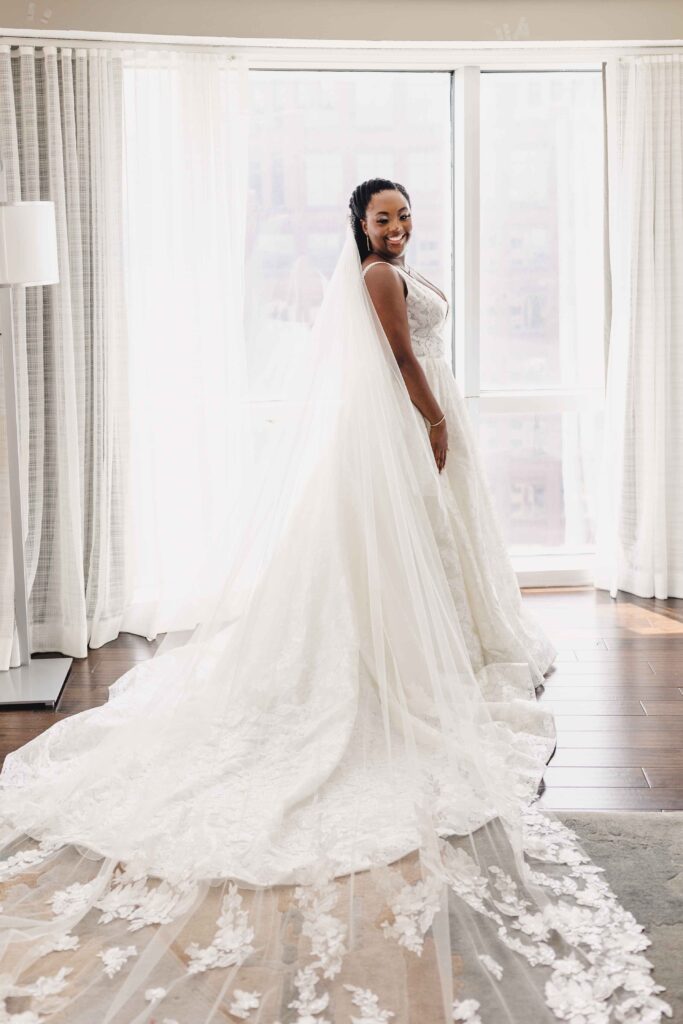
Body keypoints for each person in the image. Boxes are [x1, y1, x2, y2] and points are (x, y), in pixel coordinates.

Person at [0, 179, 669, 1024]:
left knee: (432, 547)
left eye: (403, 214)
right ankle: (393, 654)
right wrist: (432, 422)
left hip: (408, 420)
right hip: (403, 422)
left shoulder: (396, 269)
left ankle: (441, 637)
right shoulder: (376, 278)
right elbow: (399, 357)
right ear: (358, 226)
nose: (397, 226)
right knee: (395, 552)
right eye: (382, 217)